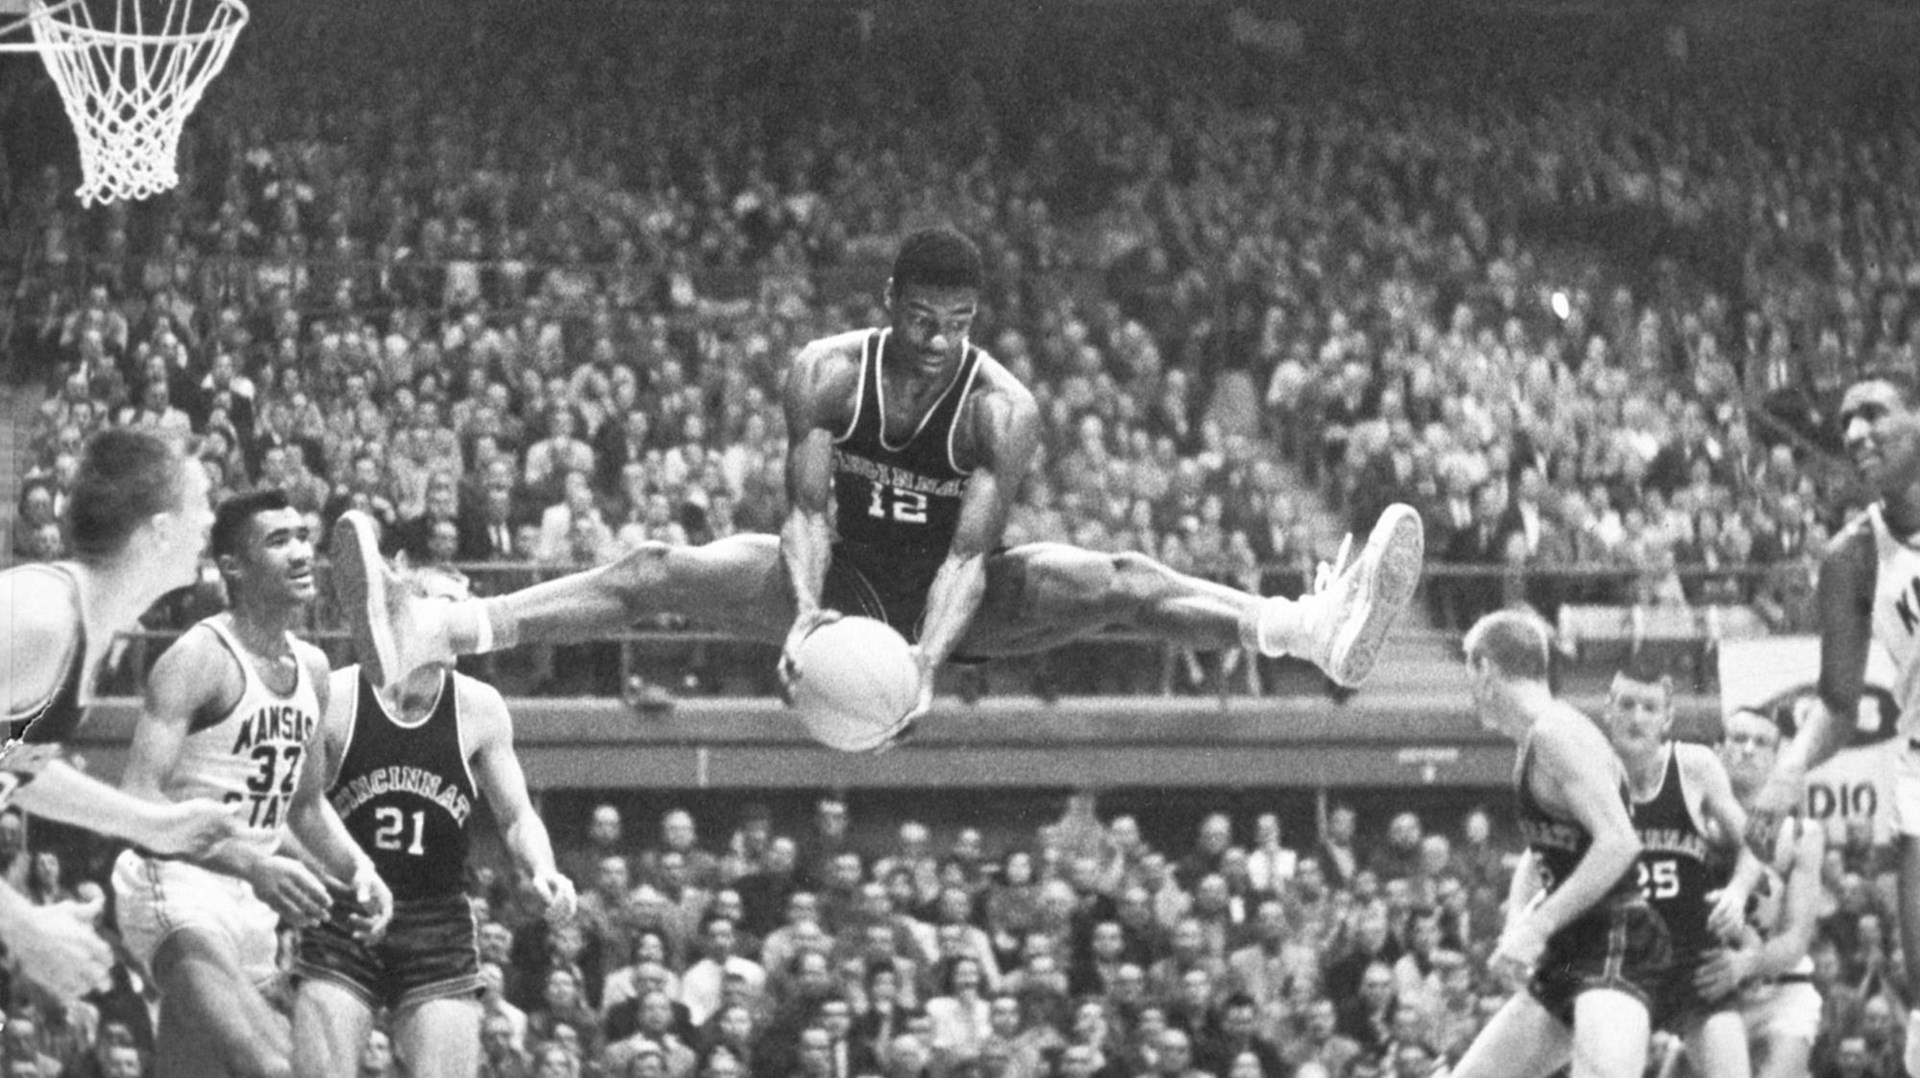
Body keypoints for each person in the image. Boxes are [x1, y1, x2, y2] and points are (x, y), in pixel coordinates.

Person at [332, 229, 1426, 741]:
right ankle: (444, 628)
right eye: (924, 317)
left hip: (955, 601)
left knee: (1123, 575)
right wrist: (807, 619)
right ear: (888, 298)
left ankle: (1305, 631)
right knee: (657, 566)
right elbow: (804, 514)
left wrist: (922, 666)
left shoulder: (1003, 408)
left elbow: (965, 554)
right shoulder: (823, 372)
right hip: (837, 575)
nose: (943, 340)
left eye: (962, 323)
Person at [112, 490, 395, 1078]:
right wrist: (253, 865)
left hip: (251, 907)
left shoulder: (313, 668)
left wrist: (360, 870)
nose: (301, 554)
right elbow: (137, 801)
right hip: (179, 887)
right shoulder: (199, 656)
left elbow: (308, 805)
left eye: (303, 538)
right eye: (278, 540)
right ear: (232, 567)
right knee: (277, 1066)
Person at [291, 562, 579, 1078]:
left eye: (465, 606)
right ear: (402, 616)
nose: (461, 619)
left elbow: (516, 817)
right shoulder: (335, 697)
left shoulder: (479, 707)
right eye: (445, 603)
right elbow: (296, 810)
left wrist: (543, 869)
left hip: (436, 917)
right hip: (344, 910)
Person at [0, 428, 246, 1002]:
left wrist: (146, 823)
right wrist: (22, 924)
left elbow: (16, 767)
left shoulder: (89, 635)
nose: (211, 521)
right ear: (160, 532)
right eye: (201, 504)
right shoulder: (39, 618)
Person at [1744, 364, 1920, 1073]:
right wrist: (1790, 768)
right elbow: (1840, 705)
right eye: (1845, 422)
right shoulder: (1851, 558)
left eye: (1873, 413)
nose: (1854, 433)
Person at [1450, 610, 1667, 1078]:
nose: (1469, 692)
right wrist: (1518, 922)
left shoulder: (1557, 734)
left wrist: (1537, 926)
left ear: (1485, 669)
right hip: (1572, 949)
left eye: (1469, 672)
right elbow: (1546, 853)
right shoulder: (1536, 740)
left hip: (1615, 940)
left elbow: (1618, 844)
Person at [1599, 661, 1756, 1078]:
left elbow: (1755, 843)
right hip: (1618, 964)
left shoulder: (1693, 766)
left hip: (1693, 964)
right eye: (1627, 704)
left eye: (1649, 708)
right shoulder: (1589, 771)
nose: (1637, 718)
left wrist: (1737, 893)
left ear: (1668, 718)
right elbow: (1533, 861)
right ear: (1607, 710)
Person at [1708, 709, 1823, 1078]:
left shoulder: (1803, 834)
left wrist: (1747, 963)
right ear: (1718, 749)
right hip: (1710, 989)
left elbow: (1797, 938)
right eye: (1738, 739)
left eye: (1760, 742)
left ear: (1776, 756)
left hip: (1783, 988)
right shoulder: (1690, 825)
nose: (1747, 749)